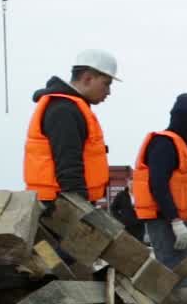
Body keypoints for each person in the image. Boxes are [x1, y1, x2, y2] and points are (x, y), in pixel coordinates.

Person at [23, 49, 118, 206]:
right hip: (58, 206)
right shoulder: (64, 110)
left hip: (60, 202)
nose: (108, 92)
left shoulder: (69, 107)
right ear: (87, 79)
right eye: (106, 84)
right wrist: (78, 206)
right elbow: (68, 163)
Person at [132, 93, 187, 273]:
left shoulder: (184, 147)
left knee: (181, 272)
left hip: (180, 222)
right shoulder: (165, 143)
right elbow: (158, 185)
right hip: (165, 222)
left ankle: (182, 294)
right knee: (172, 274)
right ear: (186, 121)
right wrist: (175, 222)